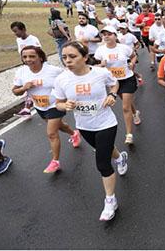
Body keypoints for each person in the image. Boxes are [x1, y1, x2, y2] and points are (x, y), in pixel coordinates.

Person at [54, 41, 128, 221]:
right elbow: (58, 104)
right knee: (107, 150)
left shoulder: (101, 73)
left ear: (85, 57)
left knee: (102, 163)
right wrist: (65, 105)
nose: (68, 61)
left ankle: (110, 201)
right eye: (64, 57)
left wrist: (111, 95)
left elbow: (114, 84)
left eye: (72, 56)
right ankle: (120, 157)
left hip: (106, 123)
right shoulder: (61, 79)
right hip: (84, 126)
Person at [12, 46, 80, 173]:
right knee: (59, 126)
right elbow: (15, 91)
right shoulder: (21, 72)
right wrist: (23, 88)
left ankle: (55, 161)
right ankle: (74, 134)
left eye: (32, 56)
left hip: (56, 105)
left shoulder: (53, 70)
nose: (28, 59)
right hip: (39, 107)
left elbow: (70, 78)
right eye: (25, 57)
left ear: (41, 57)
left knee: (51, 133)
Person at [94, 26, 141, 145]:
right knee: (127, 102)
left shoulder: (124, 48)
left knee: (125, 107)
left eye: (109, 34)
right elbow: (94, 66)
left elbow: (134, 55)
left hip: (127, 79)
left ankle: (129, 134)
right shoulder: (100, 51)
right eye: (104, 34)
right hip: (113, 82)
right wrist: (101, 65)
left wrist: (132, 63)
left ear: (115, 35)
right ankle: (135, 113)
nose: (106, 36)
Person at [135, 4, 156, 70]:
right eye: (143, 11)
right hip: (144, 35)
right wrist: (141, 24)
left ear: (148, 10)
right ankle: (152, 56)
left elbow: (157, 22)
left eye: (145, 11)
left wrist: (154, 25)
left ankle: (152, 62)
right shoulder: (140, 16)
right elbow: (136, 24)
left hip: (152, 35)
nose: (144, 12)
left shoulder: (152, 15)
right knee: (148, 48)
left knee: (152, 47)